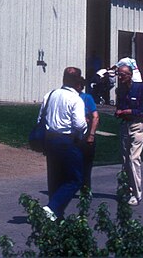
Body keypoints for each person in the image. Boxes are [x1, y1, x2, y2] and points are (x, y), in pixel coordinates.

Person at [38, 66, 87, 220]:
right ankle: (52, 207)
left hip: (49, 139)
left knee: (55, 176)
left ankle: (56, 213)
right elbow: (79, 124)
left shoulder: (50, 95)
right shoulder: (76, 99)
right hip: (67, 140)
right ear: (78, 81)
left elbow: (40, 118)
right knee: (75, 179)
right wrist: (85, 127)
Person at [114, 60, 143, 206]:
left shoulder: (140, 88)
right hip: (125, 125)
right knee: (125, 160)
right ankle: (127, 189)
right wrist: (119, 112)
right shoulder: (121, 90)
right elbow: (120, 106)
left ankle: (137, 193)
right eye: (118, 74)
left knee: (133, 158)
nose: (119, 77)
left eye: (122, 74)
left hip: (138, 125)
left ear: (130, 75)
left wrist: (131, 111)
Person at [77, 77, 100, 192]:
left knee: (86, 164)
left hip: (86, 135)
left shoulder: (87, 98)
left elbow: (95, 116)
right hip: (73, 136)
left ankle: (85, 189)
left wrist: (91, 135)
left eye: (79, 84)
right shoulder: (68, 97)